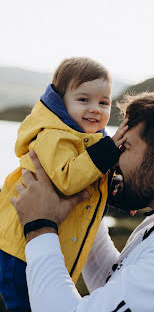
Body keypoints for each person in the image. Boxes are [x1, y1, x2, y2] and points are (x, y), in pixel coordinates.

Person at [12, 88, 154, 312]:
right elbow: (115, 286)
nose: (113, 161)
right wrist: (78, 201)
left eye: (125, 146)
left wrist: (39, 226)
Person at [0, 57, 128, 311]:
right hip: (21, 250)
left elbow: (90, 181)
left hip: (45, 243)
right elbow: (68, 179)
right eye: (84, 100)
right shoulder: (53, 136)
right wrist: (107, 152)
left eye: (104, 102)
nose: (95, 109)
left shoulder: (86, 141)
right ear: (60, 101)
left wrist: (116, 189)